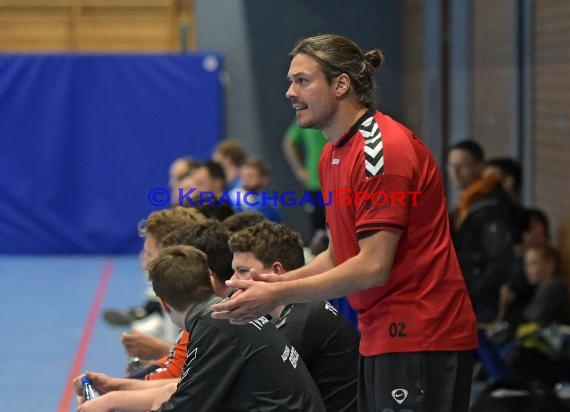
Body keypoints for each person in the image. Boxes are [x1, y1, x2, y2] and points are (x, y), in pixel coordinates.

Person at [212, 34, 478, 412]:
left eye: (302, 80)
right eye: (291, 81)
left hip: (421, 335)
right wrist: (275, 282)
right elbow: (340, 255)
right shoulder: (332, 155)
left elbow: (372, 266)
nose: (290, 92)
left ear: (341, 84)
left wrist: (278, 296)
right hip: (379, 335)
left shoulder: (381, 150)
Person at [153, 245, 326, 411]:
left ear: (164, 303)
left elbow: (186, 405)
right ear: (212, 282)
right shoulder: (227, 316)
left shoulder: (215, 325)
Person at [229, 221, 359, 411]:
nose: (232, 281)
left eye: (242, 271)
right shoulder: (293, 311)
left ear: (276, 271)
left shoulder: (306, 317)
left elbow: (253, 389)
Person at [282, 119, 328, 234]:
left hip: (341, 181)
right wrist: (299, 170)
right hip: (315, 182)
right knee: (319, 229)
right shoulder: (308, 117)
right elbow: (289, 141)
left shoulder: (338, 114)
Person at [233, 157, 283, 222]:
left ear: (264, 179)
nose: (246, 180)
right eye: (244, 176)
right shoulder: (233, 199)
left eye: (250, 176)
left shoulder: (268, 204)